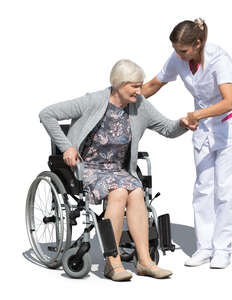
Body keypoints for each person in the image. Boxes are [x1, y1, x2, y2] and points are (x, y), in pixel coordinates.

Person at [39, 59, 188, 281]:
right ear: (118, 84)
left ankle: (145, 261)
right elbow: (47, 114)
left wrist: (184, 123)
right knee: (118, 192)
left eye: (140, 85)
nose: (140, 91)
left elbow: (167, 128)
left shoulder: (140, 105)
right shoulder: (93, 101)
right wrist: (67, 147)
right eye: (134, 86)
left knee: (136, 192)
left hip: (117, 169)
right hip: (86, 166)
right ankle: (113, 263)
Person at [142, 18, 232, 269]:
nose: (178, 55)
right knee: (203, 187)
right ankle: (204, 247)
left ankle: (222, 248)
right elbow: (155, 83)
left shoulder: (219, 59)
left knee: (223, 188)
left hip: (230, 128)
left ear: (198, 44)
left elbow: (229, 101)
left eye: (183, 50)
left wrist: (196, 116)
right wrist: (122, 98)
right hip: (203, 129)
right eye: (176, 50)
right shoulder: (178, 58)